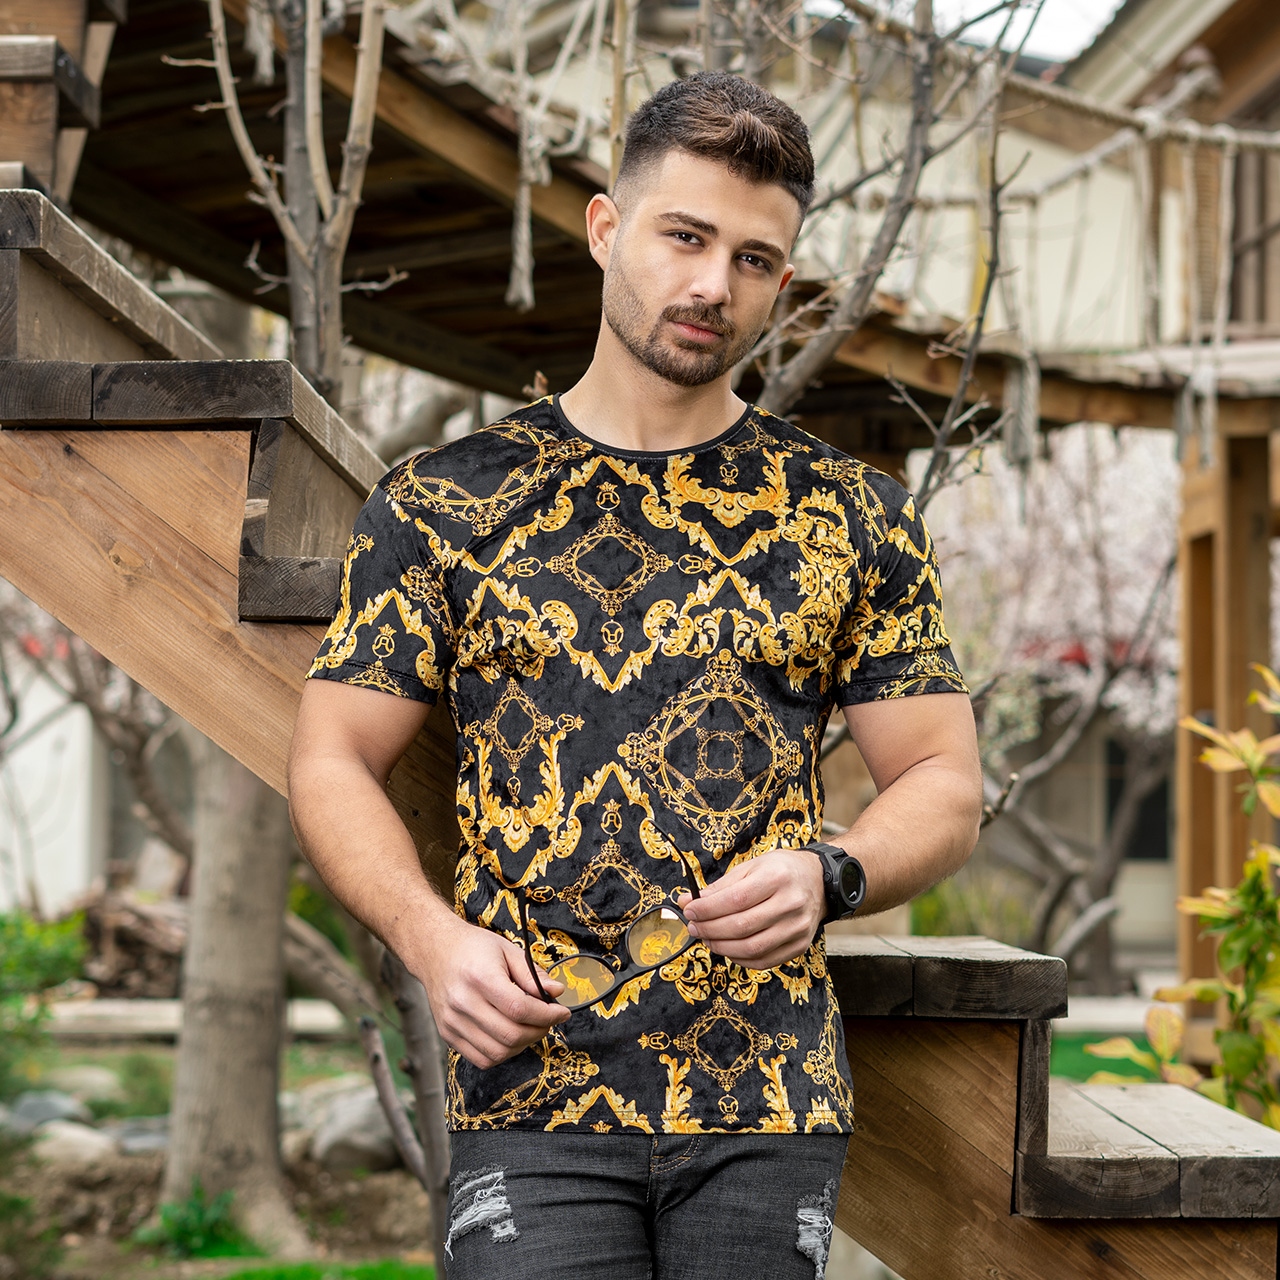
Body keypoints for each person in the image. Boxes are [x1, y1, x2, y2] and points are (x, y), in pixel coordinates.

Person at [288, 71, 983, 1280]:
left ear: (782, 282)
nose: (714, 284)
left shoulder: (850, 514)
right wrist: (429, 938)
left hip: (765, 1098)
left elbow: (942, 777)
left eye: (755, 259)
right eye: (684, 236)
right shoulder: (444, 501)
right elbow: (331, 757)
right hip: (529, 1090)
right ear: (606, 228)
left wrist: (831, 871)